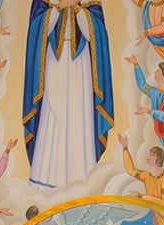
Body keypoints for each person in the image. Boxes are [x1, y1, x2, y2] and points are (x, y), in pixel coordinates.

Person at [22, 0, 114, 190]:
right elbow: (37, 32)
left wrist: (78, 7)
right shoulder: (44, 2)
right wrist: (59, 7)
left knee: (79, 115)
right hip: (53, 63)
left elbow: (95, 34)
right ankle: (45, 179)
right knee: (52, 112)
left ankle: (81, 177)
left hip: (80, 67)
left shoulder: (90, 2)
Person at [127, 55, 164, 146]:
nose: (155, 72)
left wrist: (149, 111)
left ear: (163, 75)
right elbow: (142, 85)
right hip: (161, 134)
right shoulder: (155, 93)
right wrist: (136, 65)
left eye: (158, 70)